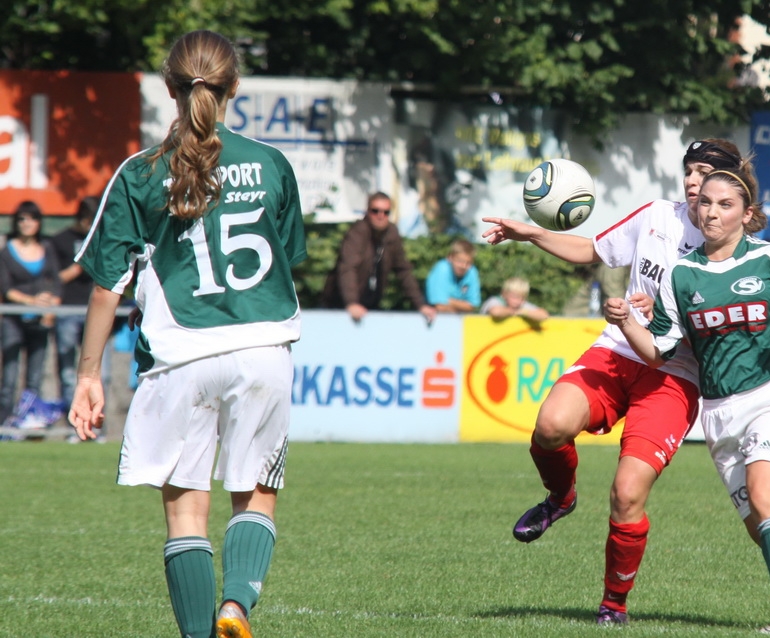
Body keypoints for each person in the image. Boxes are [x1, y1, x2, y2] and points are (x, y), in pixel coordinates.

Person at [68, 30, 307, 638]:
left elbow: (106, 287)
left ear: (169, 87)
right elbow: (287, 260)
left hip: (180, 356)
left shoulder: (139, 173)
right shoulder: (273, 164)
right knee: (255, 495)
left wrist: (89, 375)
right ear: (234, 88)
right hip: (263, 350)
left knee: (186, 513)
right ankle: (236, 606)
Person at [604, 167, 770, 634]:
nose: (711, 212)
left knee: (767, 500)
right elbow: (658, 352)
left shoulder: (769, 257)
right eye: (705, 203)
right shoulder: (682, 273)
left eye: (725, 205)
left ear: (747, 215)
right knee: (764, 530)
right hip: (719, 412)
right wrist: (627, 321)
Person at [482, 139, 739, 625]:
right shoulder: (657, 216)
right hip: (618, 350)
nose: (692, 180)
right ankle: (561, 498)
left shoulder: (736, 251)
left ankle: (613, 606)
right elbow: (593, 249)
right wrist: (530, 233)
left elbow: (725, 327)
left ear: (731, 184)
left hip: (674, 375)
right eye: (689, 170)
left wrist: (666, 311)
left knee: (626, 494)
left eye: (703, 171)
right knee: (550, 426)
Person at [321, 192, 436, 323]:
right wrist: (352, 303)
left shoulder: (391, 233)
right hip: (339, 306)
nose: (380, 216)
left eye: (386, 212)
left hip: (370, 306)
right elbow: (348, 268)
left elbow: (403, 271)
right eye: (375, 211)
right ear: (367, 211)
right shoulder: (357, 232)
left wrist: (420, 305)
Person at [0, 201, 61, 423]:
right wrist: (31, 301)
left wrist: (51, 305)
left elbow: (56, 281)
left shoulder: (47, 247)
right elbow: (6, 288)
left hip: (40, 320)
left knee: (34, 378)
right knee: (9, 377)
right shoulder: (6, 251)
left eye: (32, 219)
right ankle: (4, 425)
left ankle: (29, 421)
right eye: (22, 219)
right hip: (13, 320)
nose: (27, 223)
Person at [50, 197, 113, 411]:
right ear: (82, 218)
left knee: (101, 372)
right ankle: (73, 417)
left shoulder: (105, 239)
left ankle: (97, 419)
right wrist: (82, 264)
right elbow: (54, 279)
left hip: (97, 311)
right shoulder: (60, 240)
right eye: (90, 220)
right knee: (68, 371)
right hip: (68, 310)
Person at [425, 238, 481, 313]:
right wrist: (462, 306)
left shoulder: (472, 271)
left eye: (468, 263)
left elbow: (472, 306)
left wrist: (448, 301)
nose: (463, 266)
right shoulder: (442, 268)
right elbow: (439, 306)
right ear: (450, 257)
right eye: (460, 261)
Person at [480, 276, 549, 322]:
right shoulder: (495, 301)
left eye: (522, 298)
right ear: (504, 294)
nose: (518, 301)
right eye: (515, 297)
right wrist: (513, 312)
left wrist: (524, 313)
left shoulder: (522, 306)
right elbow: (496, 312)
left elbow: (544, 315)